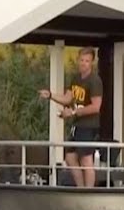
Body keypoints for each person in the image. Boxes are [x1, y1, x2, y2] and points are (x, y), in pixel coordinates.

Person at [38, 47, 103, 187]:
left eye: (87, 61)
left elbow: (96, 106)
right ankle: (80, 189)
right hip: (77, 125)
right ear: (78, 60)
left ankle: (88, 192)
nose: (83, 63)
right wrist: (50, 95)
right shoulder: (76, 78)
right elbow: (68, 98)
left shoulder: (95, 81)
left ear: (92, 62)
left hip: (89, 125)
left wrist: (73, 113)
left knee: (86, 160)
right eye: (81, 60)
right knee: (70, 157)